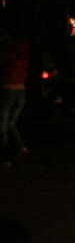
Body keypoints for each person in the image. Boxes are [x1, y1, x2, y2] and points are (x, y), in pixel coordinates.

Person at [0, 20, 29, 164]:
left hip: (9, 88)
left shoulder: (9, 49)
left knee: (3, 124)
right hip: (20, 89)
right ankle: (19, 147)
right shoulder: (23, 48)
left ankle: (5, 155)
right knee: (9, 123)